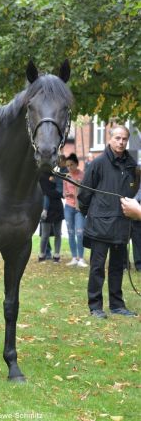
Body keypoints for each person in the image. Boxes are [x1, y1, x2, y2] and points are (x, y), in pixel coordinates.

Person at [78, 125, 139, 318]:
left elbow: (133, 193)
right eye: (118, 138)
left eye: (124, 139)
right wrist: (93, 214)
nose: (121, 142)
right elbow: (84, 194)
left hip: (122, 224)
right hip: (100, 225)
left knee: (117, 267)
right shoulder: (97, 163)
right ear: (110, 139)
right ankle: (95, 306)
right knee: (97, 267)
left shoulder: (131, 165)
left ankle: (116, 304)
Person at [63, 153, 88, 267]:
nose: (69, 167)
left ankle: (81, 258)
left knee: (80, 233)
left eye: (71, 165)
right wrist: (67, 193)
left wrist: (78, 190)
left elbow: (86, 192)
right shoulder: (66, 177)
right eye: (67, 165)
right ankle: (74, 257)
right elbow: (64, 193)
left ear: (76, 164)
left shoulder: (83, 176)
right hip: (68, 207)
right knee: (71, 233)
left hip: (79, 208)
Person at [38, 171, 64, 263]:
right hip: (46, 209)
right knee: (45, 235)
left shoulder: (57, 175)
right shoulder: (41, 176)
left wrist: (50, 192)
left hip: (57, 207)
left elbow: (61, 193)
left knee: (58, 233)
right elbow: (44, 191)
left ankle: (56, 255)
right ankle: (41, 255)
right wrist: (54, 193)